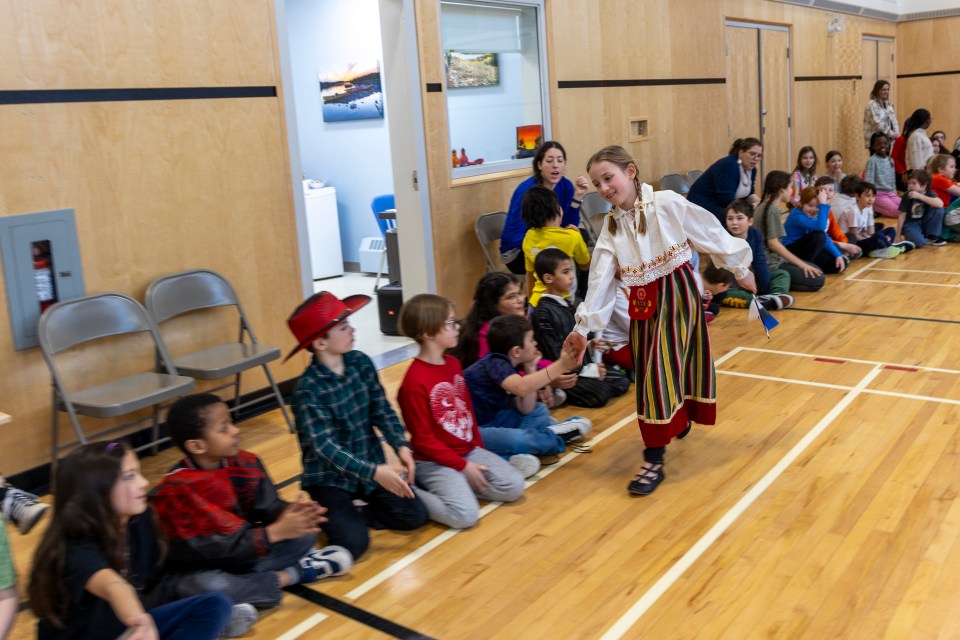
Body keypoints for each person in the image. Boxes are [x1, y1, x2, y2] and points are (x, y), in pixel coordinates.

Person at [566, 145, 756, 496]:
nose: (604, 188)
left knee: (660, 370)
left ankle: (653, 458)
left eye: (609, 178)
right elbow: (600, 280)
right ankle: (675, 418)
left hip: (677, 294)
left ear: (631, 172)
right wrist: (582, 328)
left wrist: (739, 267)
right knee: (653, 370)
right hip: (642, 304)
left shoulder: (666, 202)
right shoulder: (611, 228)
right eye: (597, 183)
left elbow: (708, 232)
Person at [152, 394, 352, 619]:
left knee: (305, 535)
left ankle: (241, 595)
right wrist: (274, 533)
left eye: (231, 423)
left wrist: (293, 515)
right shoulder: (176, 490)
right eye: (224, 428)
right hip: (205, 565)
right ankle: (294, 574)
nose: (235, 431)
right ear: (197, 446)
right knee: (205, 584)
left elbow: (267, 507)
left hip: (247, 553)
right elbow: (208, 551)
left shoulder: (244, 461)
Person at [28, 442, 234, 640]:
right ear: (97, 492)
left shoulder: (140, 520)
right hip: (94, 633)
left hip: (128, 626)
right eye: (130, 476)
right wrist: (140, 622)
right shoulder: (75, 547)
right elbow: (113, 586)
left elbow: (158, 579)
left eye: (138, 472)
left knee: (214, 605)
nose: (143, 482)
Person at [287, 292, 429, 561]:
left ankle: (357, 510)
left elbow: (381, 409)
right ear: (319, 342)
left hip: (369, 466)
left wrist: (401, 444)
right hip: (331, 479)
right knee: (353, 544)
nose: (352, 330)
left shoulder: (360, 362)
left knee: (414, 515)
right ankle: (337, 512)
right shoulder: (308, 390)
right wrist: (375, 472)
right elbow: (326, 449)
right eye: (343, 327)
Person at [396, 294, 530, 529]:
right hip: (433, 461)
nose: (457, 327)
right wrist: (462, 467)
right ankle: (411, 489)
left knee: (515, 486)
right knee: (465, 516)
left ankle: (461, 483)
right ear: (428, 333)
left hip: (467, 452)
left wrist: (477, 451)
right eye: (450, 323)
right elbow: (424, 441)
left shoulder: (453, 364)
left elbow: (467, 414)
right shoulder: (413, 383)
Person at [464, 315, 591, 458]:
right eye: (531, 340)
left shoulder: (511, 364)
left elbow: (526, 409)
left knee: (539, 410)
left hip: (494, 420)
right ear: (516, 351)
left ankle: (521, 451)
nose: (535, 343)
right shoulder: (495, 362)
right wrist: (561, 365)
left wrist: (530, 367)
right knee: (517, 439)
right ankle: (554, 435)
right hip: (472, 430)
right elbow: (521, 388)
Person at [451, 272, 575, 407]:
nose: (520, 299)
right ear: (493, 304)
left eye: (520, 293)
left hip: (517, 382)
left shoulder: (514, 325)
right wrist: (547, 379)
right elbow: (506, 376)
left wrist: (551, 372)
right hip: (493, 398)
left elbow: (530, 356)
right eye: (511, 297)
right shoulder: (487, 336)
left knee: (559, 392)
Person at [531, 248, 630, 407]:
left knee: (621, 381)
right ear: (548, 278)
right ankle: (564, 392)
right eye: (565, 272)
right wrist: (590, 371)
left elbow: (579, 339)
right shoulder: (543, 312)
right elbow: (555, 353)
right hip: (567, 374)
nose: (571, 276)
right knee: (600, 394)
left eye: (571, 270)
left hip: (583, 368)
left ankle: (596, 379)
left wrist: (591, 346)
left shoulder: (568, 304)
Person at [500, 141, 589, 274]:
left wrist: (577, 197)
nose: (555, 165)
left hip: (550, 241)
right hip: (519, 251)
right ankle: (564, 290)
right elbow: (515, 235)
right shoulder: (526, 191)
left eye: (560, 161)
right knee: (566, 250)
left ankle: (577, 292)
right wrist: (547, 243)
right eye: (549, 160)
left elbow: (567, 225)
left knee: (581, 236)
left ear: (564, 165)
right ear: (539, 165)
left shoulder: (566, 186)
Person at [754, 170, 825, 292]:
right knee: (818, 279)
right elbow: (774, 244)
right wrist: (801, 264)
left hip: (774, 261)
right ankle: (774, 280)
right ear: (782, 190)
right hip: (771, 265)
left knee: (816, 269)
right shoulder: (772, 210)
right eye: (790, 188)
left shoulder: (767, 207)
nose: (792, 191)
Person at [520, 185, 590, 307]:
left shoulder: (529, 237)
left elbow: (530, 274)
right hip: (563, 303)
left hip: (537, 302)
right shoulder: (572, 237)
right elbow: (585, 265)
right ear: (556, 209)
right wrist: (578, 236)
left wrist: (531, 304)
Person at [722, 199, 794, 311]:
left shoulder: (755, 235)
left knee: (782, 274)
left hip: (750, 277)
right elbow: (723, 272)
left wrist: (763, 288)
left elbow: (759, 261)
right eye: (730, 218)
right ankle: (759, 302)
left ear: (750, 221)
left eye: (739, 218)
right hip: (731, 282)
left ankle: (776, 296)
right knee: (724, 293)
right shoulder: (723, 237)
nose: (734, 222)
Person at [688, 137, 762, 226]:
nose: (756, 158)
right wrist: (750, 208)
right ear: (741, 153)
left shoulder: (752, 169)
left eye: (759, 155)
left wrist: (761, 203)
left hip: (724, 204)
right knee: (740, 218)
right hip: (703, 204)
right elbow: (726, 200)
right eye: (752, 154)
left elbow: (750, 193)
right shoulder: (729, 165)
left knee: (757, 212)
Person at [836, 181, 909, 258]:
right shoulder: (853, 210)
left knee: (891, 230)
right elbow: (854, 235)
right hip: (851, 242)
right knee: (879, 237)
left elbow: (871, 232)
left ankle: (880, 247)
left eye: (873, 196)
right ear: (857, 196)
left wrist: (872, 236)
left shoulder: (867, 208)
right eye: (867, 196)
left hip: (862, 237)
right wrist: (873, 238)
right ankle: (887, 246)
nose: (871, 199)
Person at [783, 187, 847, 275]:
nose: (814, 209)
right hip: (791, 250)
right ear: (802, 204)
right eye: (810, 205)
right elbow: (820, 228)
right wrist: (823, 204)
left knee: (840, 263)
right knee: (819, 236)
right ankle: (804, 267)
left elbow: (825, 237)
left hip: (808, 250)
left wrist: (838, 255)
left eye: (818, 206)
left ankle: (813, 266)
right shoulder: (796, 215)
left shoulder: (815, 215)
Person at [898, 170, 946, 248]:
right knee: (919, 243)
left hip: (924, 221)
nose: (910, 185)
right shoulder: (907, 195)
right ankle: (912, 234)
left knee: (938, 209)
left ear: (924, 184)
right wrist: (898, 236)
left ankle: (932, 237)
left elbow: (940, 204)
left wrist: (920, 196)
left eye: (914, 183)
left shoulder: (929, 193)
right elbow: (902, 215)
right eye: (909, 183)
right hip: (911, 223)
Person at [864, 132, 902, 223]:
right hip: (878, 195)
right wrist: (870, 200)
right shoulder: (872, 161)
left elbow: (893, 181)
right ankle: (876, 208)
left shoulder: (890, 160)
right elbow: (869, 182)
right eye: (878, 144)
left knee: (905, 207)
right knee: (898, 212)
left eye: (885, 143)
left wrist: (894, 194)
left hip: (890, 194)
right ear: (873, 146)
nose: (882, 146)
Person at [862, 80, 899, 149]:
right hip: (876, 141)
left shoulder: (887, 104)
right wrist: (892, 134)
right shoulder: (872, 104)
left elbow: (894, 120)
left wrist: (896, 133)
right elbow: (878, 124)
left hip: (888, 140)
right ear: (877, 90)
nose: (886, 92)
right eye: (883, 90)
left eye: (888, 89)